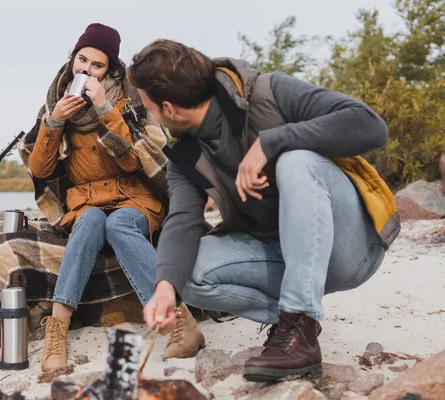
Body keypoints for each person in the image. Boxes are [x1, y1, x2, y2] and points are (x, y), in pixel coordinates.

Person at [128, 40, 400, 382]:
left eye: (149, 108)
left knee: (296, 161)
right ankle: (296, 325)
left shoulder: (268, 90)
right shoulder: (184, 156)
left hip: (350, 250)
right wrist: (165, 287)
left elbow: (371, 126)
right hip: (286, 258)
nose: (150, 115)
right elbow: (182, 221)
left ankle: (299, 314)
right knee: (185, 275)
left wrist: (273, 142)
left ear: (169, 109)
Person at [28, 26, 204, 378]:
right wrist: (54, 121)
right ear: (72, 60)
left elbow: (134, 160)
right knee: (93, 220)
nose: (86, 70)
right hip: (86, 203)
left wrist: (106, 109)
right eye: (82, 60)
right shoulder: (54, 103)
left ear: (109, 71)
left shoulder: (130, 102)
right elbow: (40, 168)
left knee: (119, 224)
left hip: (133, 198)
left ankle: (181, 321)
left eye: (97, 65)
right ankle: (56, 331)